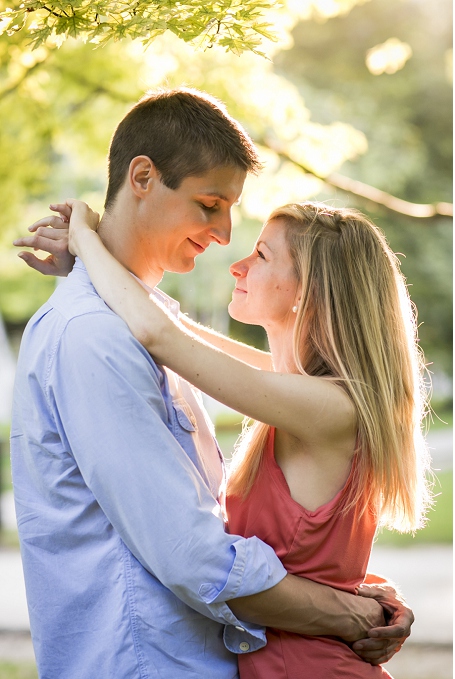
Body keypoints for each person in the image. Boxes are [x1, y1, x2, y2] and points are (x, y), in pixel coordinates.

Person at [11, 88, 412, 678]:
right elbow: (196, 557)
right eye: (209, 204)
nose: (226, 239)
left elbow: (165, 333)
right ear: (142, 177)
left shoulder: (317, 400)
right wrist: (351, 607)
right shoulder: (96, 336)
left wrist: (89, 246)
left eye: (258, 250)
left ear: (312, 292)